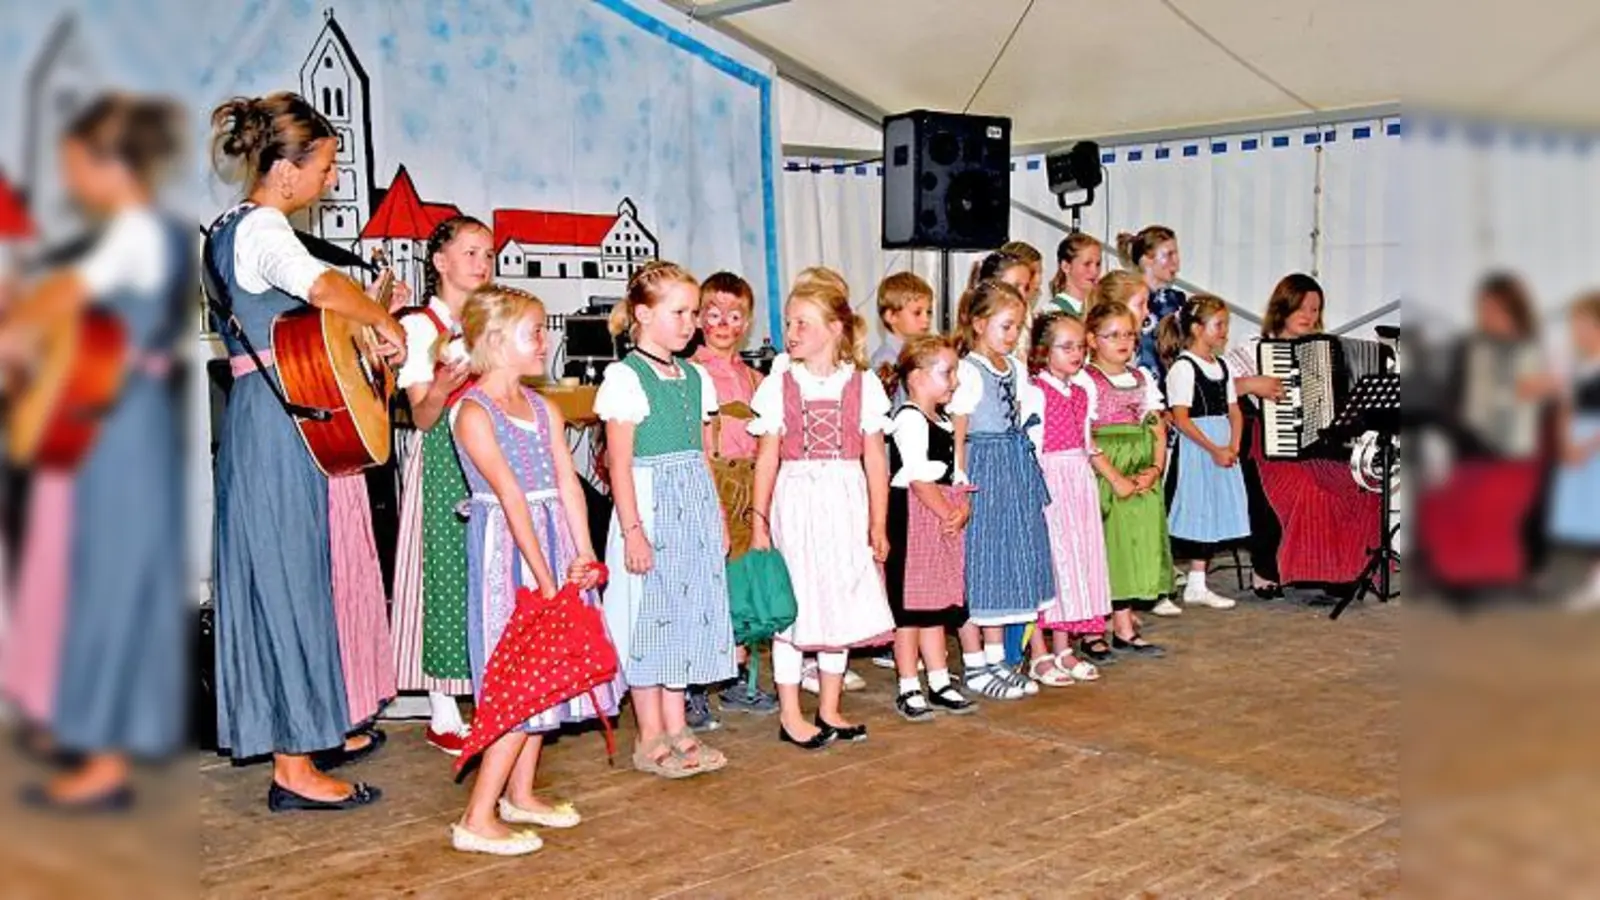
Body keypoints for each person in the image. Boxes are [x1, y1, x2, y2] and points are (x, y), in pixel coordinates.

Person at [205, 91, 406, 811]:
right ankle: (293, 769)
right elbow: (319, 287)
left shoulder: (235, 226)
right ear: (286, 169)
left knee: (303, 575)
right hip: (280, 422)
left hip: (279, 414)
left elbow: (305, 327)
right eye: (325, 165)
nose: (331, 179)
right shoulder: (261, 228)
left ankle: (316, 724)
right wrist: (383, 316)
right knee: (291, 582)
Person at [0, 93, 190, 810]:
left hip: (115, 421)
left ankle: (103, 760)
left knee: (107, 585)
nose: (70, 179)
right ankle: (91, 729)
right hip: (119, 414)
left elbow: (52, 308)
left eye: (74, 164)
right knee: (108, 579)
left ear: (106, 163)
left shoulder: (135, 234)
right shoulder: (145, 234)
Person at [449, 284, 615, 855]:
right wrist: (543, 577)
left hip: (554, 544)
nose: (546, 341)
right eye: (535, 332)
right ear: (495, 342)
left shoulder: (542, 407)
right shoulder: (473, 412)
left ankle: (520, 792)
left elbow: (568, 484)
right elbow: (513, 497)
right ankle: (477, 816)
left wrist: (585, 553)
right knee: (522, 676)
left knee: (550, 673)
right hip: (510, 550)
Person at [598, 261, 735, 778]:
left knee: (685, 613)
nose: (689, 322)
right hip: (651, 507)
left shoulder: (695, 377)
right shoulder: (625, 377)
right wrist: (634, 531)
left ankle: (679, 725)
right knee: (649, 616)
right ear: (642, 315)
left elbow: (703, 455)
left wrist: (717, 516)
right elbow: (618, 461)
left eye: (692, 312)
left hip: (693, 506)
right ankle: (649, 731)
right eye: (677, 312)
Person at [749, 278, 897, 749]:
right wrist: (759, 521)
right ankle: (791, 712)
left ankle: (830, 707)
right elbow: (767, 457)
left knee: (841, 602)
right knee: (797, 606)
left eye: (802, 323)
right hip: (796, 502)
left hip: (846, 500)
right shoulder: (780, 384)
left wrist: (878, 521)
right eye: (789, 322)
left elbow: (875, 456)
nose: (791, 332)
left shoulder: (863, 384)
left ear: (835, 328)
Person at [390, 215, 491, 755]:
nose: (482, 263)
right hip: (445, 454)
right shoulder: (419, 327)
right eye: (471, 252)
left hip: (487, 454)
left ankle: (485, 689)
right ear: (440, 262)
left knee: (486, 569)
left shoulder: (489, 321)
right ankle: (444, 708)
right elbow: (423, 417)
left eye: (488, 254)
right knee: (443, 574)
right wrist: (446, 383)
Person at [1223, 274, 1386, 600]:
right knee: (1308, 490)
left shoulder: (1325, 349)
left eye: (1315, 309)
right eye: (1301, 307)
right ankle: (1268, 569)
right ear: (1283, 307)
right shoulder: (1253, 349)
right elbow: (1214, 384)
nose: (1308, 315)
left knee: (1360, 485)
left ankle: (1340, 573)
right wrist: (1250, 384)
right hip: (1271, 446)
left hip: (1321, 450)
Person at [947, 279, 1052, 700]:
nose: (1012, 336)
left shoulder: (1014, 368)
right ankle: (976, 665)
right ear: (978, 323)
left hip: (1011, 467)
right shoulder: (970, 370)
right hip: (984, 469)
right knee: (982, 565)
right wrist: (958, 475)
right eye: (1005, 326)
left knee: (1007, 564)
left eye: (1017, 328)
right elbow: (960, 427)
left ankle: (999, 661)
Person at [688, 271, 779, 724]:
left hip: (748, 488)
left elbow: (769, 444)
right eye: (714, 313)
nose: (724, 323)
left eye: (734, 315)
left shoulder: (757, 379)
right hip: (711, 484)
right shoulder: (690, 374)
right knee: (705, 585)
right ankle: (695, 684)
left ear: (746, 323)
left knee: (743, 586)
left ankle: (740, 676)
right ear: (700, 318)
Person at [881, 335, 978, 721]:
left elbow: (952, 472)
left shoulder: (941, 419)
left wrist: (961, 506)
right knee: (909, 611)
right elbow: (920, 479)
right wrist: (946, 512)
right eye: (947, 372)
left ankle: (938, 679)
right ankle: (908, 684)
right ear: (918, 377)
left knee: (935, 605)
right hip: (916, 517)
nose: (953, 380)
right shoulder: (908, 418)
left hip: (939, 515)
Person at [1020, 312, 1111, 684]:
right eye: (1066, 347)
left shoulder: (1082, 389)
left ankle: (1064, 648)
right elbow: (1032, 447)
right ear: (1044, 350)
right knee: (1052, 564)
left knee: (1076, 563)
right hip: (1049, 481)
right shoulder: (1034, 390)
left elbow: (1086, 442)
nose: (1076, 354)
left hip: (1078, 481)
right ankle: (1039, 653)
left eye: (1080, 347)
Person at [1085, 301, 1172, 656]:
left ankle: (1123, 625)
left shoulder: (1142, 378)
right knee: (1107, 548)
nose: (1124, 342)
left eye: (1130, 335)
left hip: (1141, 472)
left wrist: (1155, 467)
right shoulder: (1086, 380)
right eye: (1113, 335)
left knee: (1134, 547)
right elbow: (1083, 435)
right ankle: (1092, 629)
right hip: (1107, 472)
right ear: (1092, 339)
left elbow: (1157, 425)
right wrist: (1115, 477)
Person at [1157, 296, 1247, 610]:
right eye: (1218, 325)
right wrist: (1213, 448)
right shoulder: (1184, 368)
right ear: (1197, 328)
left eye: (1226, 325)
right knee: (1185, 510)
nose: (1224, 332)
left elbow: (1235, 411)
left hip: (1221, 448)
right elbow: (1181, 417)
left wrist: (1233, 446)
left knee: (1210, 512)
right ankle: (1160, 587)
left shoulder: (1223, 366)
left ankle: (1198, 582)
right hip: (1197, 449)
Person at [1548, 292, 1600, 610]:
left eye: (1582, 323)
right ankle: (1595, 581)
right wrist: (1565, 442)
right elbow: (1566, 406)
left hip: (1595, 446)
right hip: (1576, 446)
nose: (1576, 331)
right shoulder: (1581, 365)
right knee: (1587, 523)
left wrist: (1587, 444)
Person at [1116, 226, 1186, 378]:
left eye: (1176, 254)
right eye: (1168, 255)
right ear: (1146, 259)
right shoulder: (1126, 298)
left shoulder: (1177, 300)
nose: (1176, 262)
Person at [1045, 233, 1102, 319]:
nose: (1095, 271)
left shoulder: (1098, 309)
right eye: (1087, 264)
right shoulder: (1053, 311)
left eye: (1098, 264)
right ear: (1066, 266)